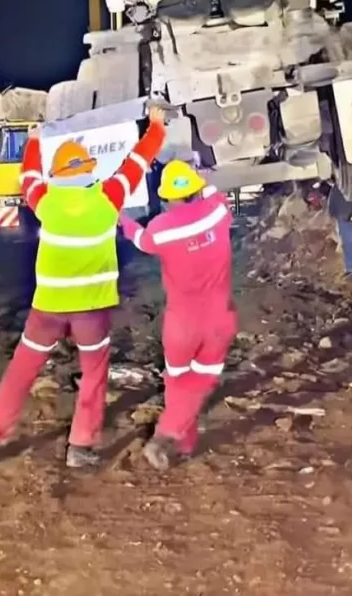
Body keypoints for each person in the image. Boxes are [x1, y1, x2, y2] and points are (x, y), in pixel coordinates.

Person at [0, 106, 167, 468]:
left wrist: (32, 141)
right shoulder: (108, 198)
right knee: (93, 374)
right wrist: (156, 124)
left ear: (57, 173)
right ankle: (80, 447)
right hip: (91, 309)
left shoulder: (44, 200)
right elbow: (140, 158)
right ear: (90, 170)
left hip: (48, 307)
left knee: (21, 370)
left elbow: (28, 172)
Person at [120, 160, 235, 470]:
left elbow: (139, 238)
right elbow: (214, 193)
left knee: (178, 380)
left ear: (167, 197)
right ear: (196, 191)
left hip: (182, 325)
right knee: (200, 382)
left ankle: (175, 440)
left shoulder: (160, 229)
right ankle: (176, 439)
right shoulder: (218, 212)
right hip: (218, 320)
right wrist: (201, 176)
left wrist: (121, 218)